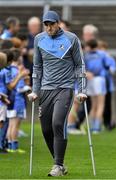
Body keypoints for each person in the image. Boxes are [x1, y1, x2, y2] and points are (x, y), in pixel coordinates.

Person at [28, 10, 86, 177]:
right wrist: (35, 90)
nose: (48, 27)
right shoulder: (39, 39)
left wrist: (82, 90)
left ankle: (57, 166)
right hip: (46, 90)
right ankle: (59, 161)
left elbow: (79, 66)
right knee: (46, 130)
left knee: (57, 124)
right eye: (45, 24)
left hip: (65, 88)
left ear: (57, 23)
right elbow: (37, 67)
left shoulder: (71, 39)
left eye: (51, 24)